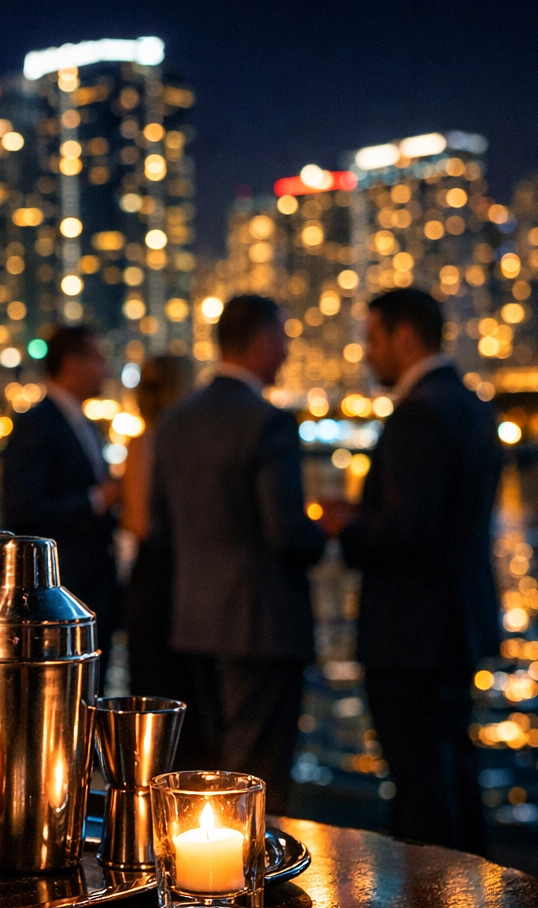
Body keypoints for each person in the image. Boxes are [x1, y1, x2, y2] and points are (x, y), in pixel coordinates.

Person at [320, 287, 501, 853]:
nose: (366, 354)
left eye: (372, 339)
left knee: (421, 783)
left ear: (404, 337)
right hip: (457, 622)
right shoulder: (471, 405)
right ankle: (483, 904)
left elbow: (407, 532)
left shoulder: (417, 414)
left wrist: (344, 526)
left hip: (410, 632)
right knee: (454, 770)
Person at [149, 295, 326, 811]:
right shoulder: (267, 421)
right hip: (261, 624)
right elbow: (287, 532)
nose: (287, 349)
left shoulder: (177, 420)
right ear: (262, 339)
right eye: (284, 336)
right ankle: (256, 882)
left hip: (193, 623)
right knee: (260, 772)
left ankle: (205, 880)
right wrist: (326, 531)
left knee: (209, 768)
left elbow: (161, 525)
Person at [1, 326, 120, 638]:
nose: (105, 370)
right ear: (72, 364)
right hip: (61, 591)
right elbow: (22, 511)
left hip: (93, 585)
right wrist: (97, 500)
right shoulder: (35, 423)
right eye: (98, 359)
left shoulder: (85, 423)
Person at [120, 355, 193, 702]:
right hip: (181, 578)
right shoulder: (183, 442)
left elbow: (137, 524)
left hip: (155, 579)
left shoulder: (145, 441)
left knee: (154, 694)